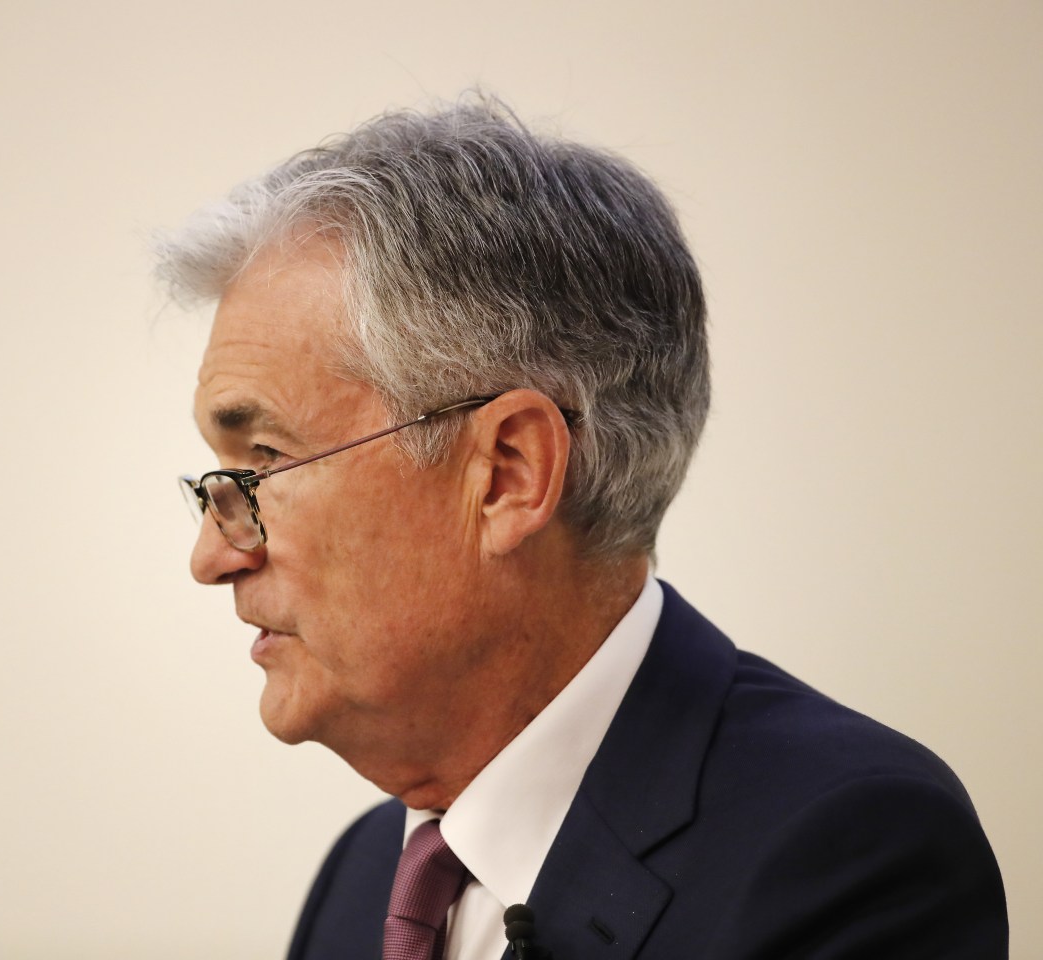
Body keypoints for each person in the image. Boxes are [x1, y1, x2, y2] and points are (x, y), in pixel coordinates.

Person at [156, 95, 1008, 959]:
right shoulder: (363, 877)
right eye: (217, 488)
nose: (213, 555)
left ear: (508, 475)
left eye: (261, 463)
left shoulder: (848, 854)